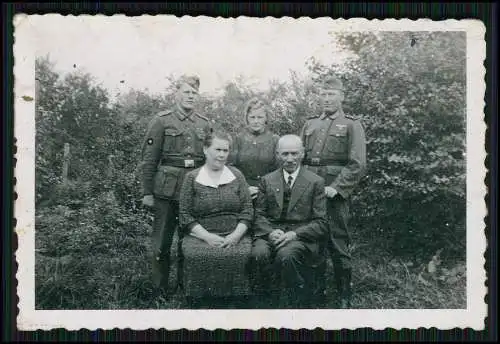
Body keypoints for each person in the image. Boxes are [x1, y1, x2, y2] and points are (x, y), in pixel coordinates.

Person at [140, 75, 212, 294]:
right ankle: (159, 289)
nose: (190, 96)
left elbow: (209, 157)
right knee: (161, 242)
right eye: (186, 92)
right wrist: (147, 192)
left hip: (194, 188)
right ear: (177, 95)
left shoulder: (203, 123)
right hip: (166, 190)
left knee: (189, 241)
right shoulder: (161, 121)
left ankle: (185, 287)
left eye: (194, 93)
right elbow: (149, 159)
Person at [300, 75, 367, 308]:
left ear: (342, 97)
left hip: (334, 194)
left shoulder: (351, 124)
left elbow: (357, 164)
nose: (326, 98)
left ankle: (344, 296)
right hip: (309, 192)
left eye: (331, 94)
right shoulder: (310, 124)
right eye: (323, 94)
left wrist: (336, 188)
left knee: (338, 241)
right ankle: (315, 294)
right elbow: (300, 158)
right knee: (311, 240)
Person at [178, 129, 254, 307]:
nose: (221, 155)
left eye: (225, 151)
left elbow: (247, 210)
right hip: (201, 234)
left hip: (234, 232)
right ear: (205, 149)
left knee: (239, 254)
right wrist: (207, 237)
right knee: (198, 255)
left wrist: (236, 236)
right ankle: (202, 303)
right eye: (217, 150)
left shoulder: (237, 175)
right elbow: (185, 214)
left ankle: (234, 303)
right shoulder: (191, 178)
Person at [251, 134, 328, 308]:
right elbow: (259, 215)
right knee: (258, 254)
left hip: (300, 236)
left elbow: (321, 222)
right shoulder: (267, 180)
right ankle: (266, 301)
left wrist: (294, 234)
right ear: (277, 154)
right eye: (285, 154)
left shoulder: (315, 182)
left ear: (302, 154)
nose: (290, 159)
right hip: (271, 232)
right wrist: (270, 232)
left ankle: (298, 302)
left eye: (294, 153)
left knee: (286, 256)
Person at [229, 97, 280, 200]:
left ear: (266, 118)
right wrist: (245, 188)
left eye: (260, 117)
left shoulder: (275, 140)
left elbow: (279, 170)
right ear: (247, 118)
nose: (256, 121)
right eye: (252, 117)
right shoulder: (238, 139)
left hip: (268, 192)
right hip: (243, 193)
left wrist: (265, 189)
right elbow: (231, 168)